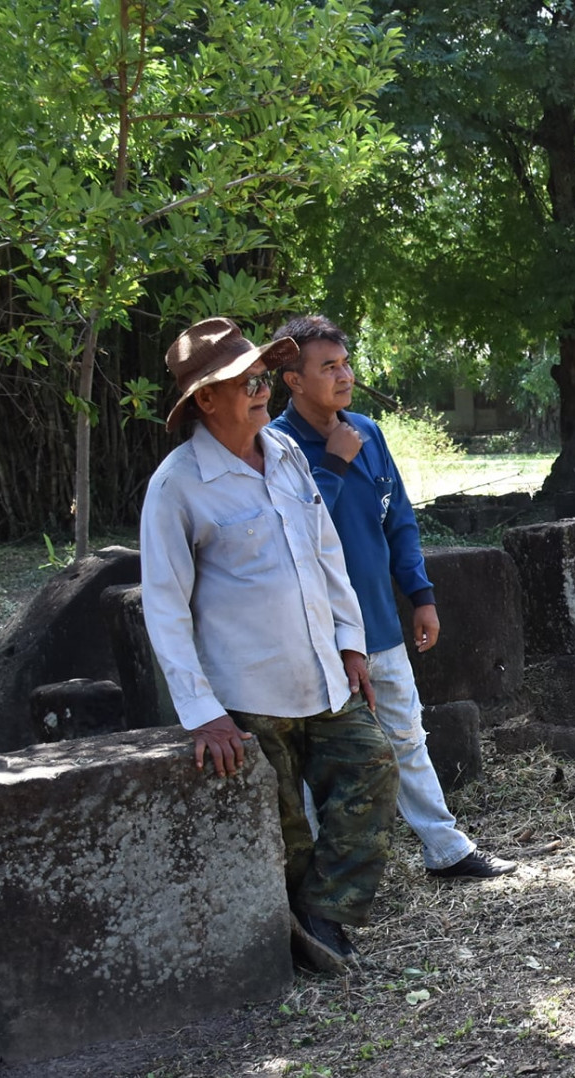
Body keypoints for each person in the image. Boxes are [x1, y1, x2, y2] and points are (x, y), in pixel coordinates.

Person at [140, 316, 401, 974]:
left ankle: (322, 915)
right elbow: (166, 606)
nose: (261, 390)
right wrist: (202, 712)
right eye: (246, 381)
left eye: (262, 377)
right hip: (249, 690)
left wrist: (349, 646)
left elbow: (324, 551)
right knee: (284, 827)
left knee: (372, 770)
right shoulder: (177, 486)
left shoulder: (284, 454)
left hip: (322, 670)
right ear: (205, 399)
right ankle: (308, 937)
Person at [268, 315, 516, 882]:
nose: (343, 375)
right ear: (293, 380)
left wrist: (421, 595)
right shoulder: (276, 447)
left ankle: (446, 849)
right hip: (315, 632)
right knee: (318, 757)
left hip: (378, 621)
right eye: (326, 367)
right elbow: (296, 538)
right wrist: (332, 462)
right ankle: (315, 876)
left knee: (407, 732)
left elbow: (398, 520)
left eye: (345, 363)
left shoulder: (369, 434)